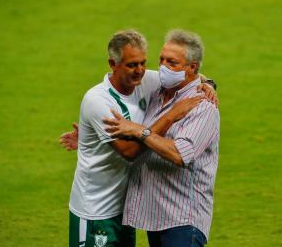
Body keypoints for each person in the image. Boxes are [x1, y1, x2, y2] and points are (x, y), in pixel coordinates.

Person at [61, 29, 217, 247]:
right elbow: (130, 152)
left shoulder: (146, 82)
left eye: (143, 63)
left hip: (126, 210)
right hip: (96, 209)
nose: (140, 70)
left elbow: (188, 73)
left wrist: (208, 84)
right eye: (132, 65)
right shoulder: (98, 100)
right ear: (113, 64)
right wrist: (171, 116)